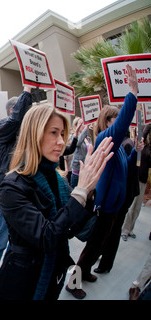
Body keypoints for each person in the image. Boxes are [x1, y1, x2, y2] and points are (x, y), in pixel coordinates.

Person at [0, 103, 114, 300]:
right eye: (54, 133)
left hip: (54, 275)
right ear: (34, 134)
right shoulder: (12, 186)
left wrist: (90, 192)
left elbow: (77, 229)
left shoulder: (58, 180)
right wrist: (80, 191)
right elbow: (47, 237)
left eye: (62, 133)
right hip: (21, 282)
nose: (61, 141)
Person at [67, 64, 141, 299]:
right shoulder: (104, 138)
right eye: (116, 119)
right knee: (92, 247)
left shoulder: (116, 146)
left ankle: (85, 272)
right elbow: (121, 127)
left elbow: (125, 167)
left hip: (113, 207)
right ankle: (73, 282)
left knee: (98, 246)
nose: (120, 123)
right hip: (103, 208)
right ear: (107, 121)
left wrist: (135, 152)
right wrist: (132, 94)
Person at [0, 87, 32, 287]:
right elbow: (16, 120)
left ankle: (10, 269)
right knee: (2, 237)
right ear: (14, 110)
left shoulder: (25, 135)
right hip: (7, 195)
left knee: (18, 241)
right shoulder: (3, 128)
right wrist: (27, 90)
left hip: (24, 194)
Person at [122, 125, 151, 240]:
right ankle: (124, 230)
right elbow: (144, 132)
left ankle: (130, 230)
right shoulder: (141, 144)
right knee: (132, 206)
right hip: (136, 179)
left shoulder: (149, 148)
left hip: (143, 181)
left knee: (137, 207)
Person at [70, 118, 92, 188]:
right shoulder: (74, 137)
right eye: (82, 124)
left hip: (86, 169)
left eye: (84, 123)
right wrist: (87, 128)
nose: (84, 126)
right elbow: (78, 142)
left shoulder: (88, 138)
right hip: (77, 170)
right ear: (76, 126)